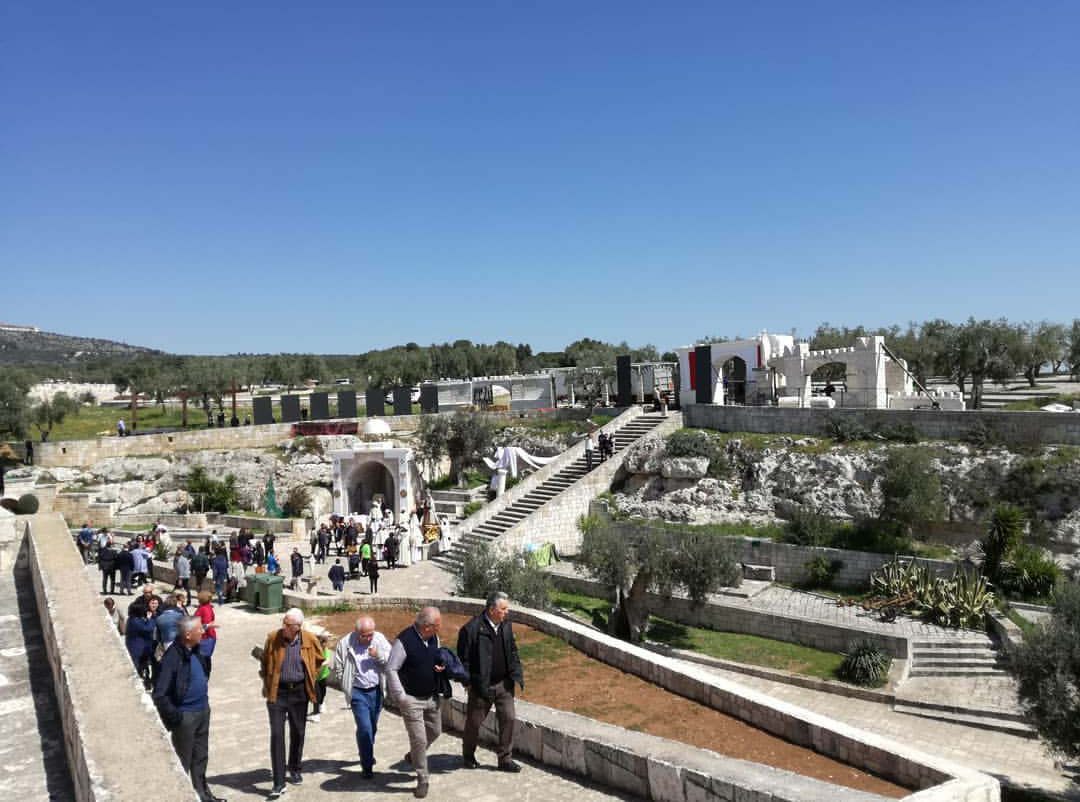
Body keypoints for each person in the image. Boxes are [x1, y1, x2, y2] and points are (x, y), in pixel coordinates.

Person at [153, 616, 226, 802]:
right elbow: (160, 693)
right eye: (199, 630)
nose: (202, 632)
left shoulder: (195, 650)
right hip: (185, 717)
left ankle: (203, 795)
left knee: (201, 757)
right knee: (183, 761)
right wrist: (176, 717)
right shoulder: (172, 657)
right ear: (187, 635)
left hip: (202, 710)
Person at [259, 608, 325, 800]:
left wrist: (311, 676)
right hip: (277, 693)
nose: (284, 627)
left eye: (288, 625)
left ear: (298, 627)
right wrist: (267, 679)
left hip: (299, 693)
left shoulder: (309, 639)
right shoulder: (273, 638)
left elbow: (320, 659)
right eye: (283, 623)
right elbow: (264, 661)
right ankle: (278, 783)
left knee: (298, 731)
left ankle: (294, 767)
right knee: (277, 734)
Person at [457, 591, 525, 772]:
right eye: (503, 609)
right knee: (474, 723)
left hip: (504, 684)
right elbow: (463, 661)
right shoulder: (471, 629)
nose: (507, 612)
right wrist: (469, 683)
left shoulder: (506, 626)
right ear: (492, 610)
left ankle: (505, 759)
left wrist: (515, 672)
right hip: (482, 686)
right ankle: (468, 755)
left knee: (509, 718)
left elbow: (512, 651)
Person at [386, 606, 446, 799]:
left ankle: (413, 756)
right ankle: (423, 779)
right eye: (437, 625)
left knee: (435, 731)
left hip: (432, 697)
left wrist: (441, 666)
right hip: (411, 699)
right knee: (419, 740)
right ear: (427, 626)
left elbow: (436, 658)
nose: (440, 628)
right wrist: (401, 697)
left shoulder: (434, 638)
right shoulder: (404, 641)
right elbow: (391, 669)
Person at [333, 616, 391, 779]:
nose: (368, 638)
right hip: (358, 693)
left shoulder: (378, 639)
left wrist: (378, 655)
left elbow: (391, 660)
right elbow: (338, 666)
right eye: (364, 635)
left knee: (371, 727)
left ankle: (366, 751)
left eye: (370, 634)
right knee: (365, 728)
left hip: (377, 690)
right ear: (356, 632)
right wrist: (346, 684)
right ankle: (367, 765)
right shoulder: (345, 643)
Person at [126, 594, 159, 689]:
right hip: (137, 649)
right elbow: (148, 628)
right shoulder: (135, 621)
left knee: (144, 667)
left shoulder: (133, 619)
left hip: (140, 648)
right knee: (138, 668)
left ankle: (146, 681)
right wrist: (150, 619)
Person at [311, 633, 333, 723]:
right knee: (316, 694)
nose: (322, 647)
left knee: (323, 691)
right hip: (314, 676)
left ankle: (322, 703)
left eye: (324, 644)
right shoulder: (312, 650)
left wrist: (320, 664)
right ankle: (316, 714)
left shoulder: (326, 650)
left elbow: (327, 661)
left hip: (323, 674)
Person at [194, 590, 219, 660]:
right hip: (203, 637)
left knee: (203, 660)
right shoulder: (205, 607)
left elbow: (207, 625)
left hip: (205, 638)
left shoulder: (205, 609)